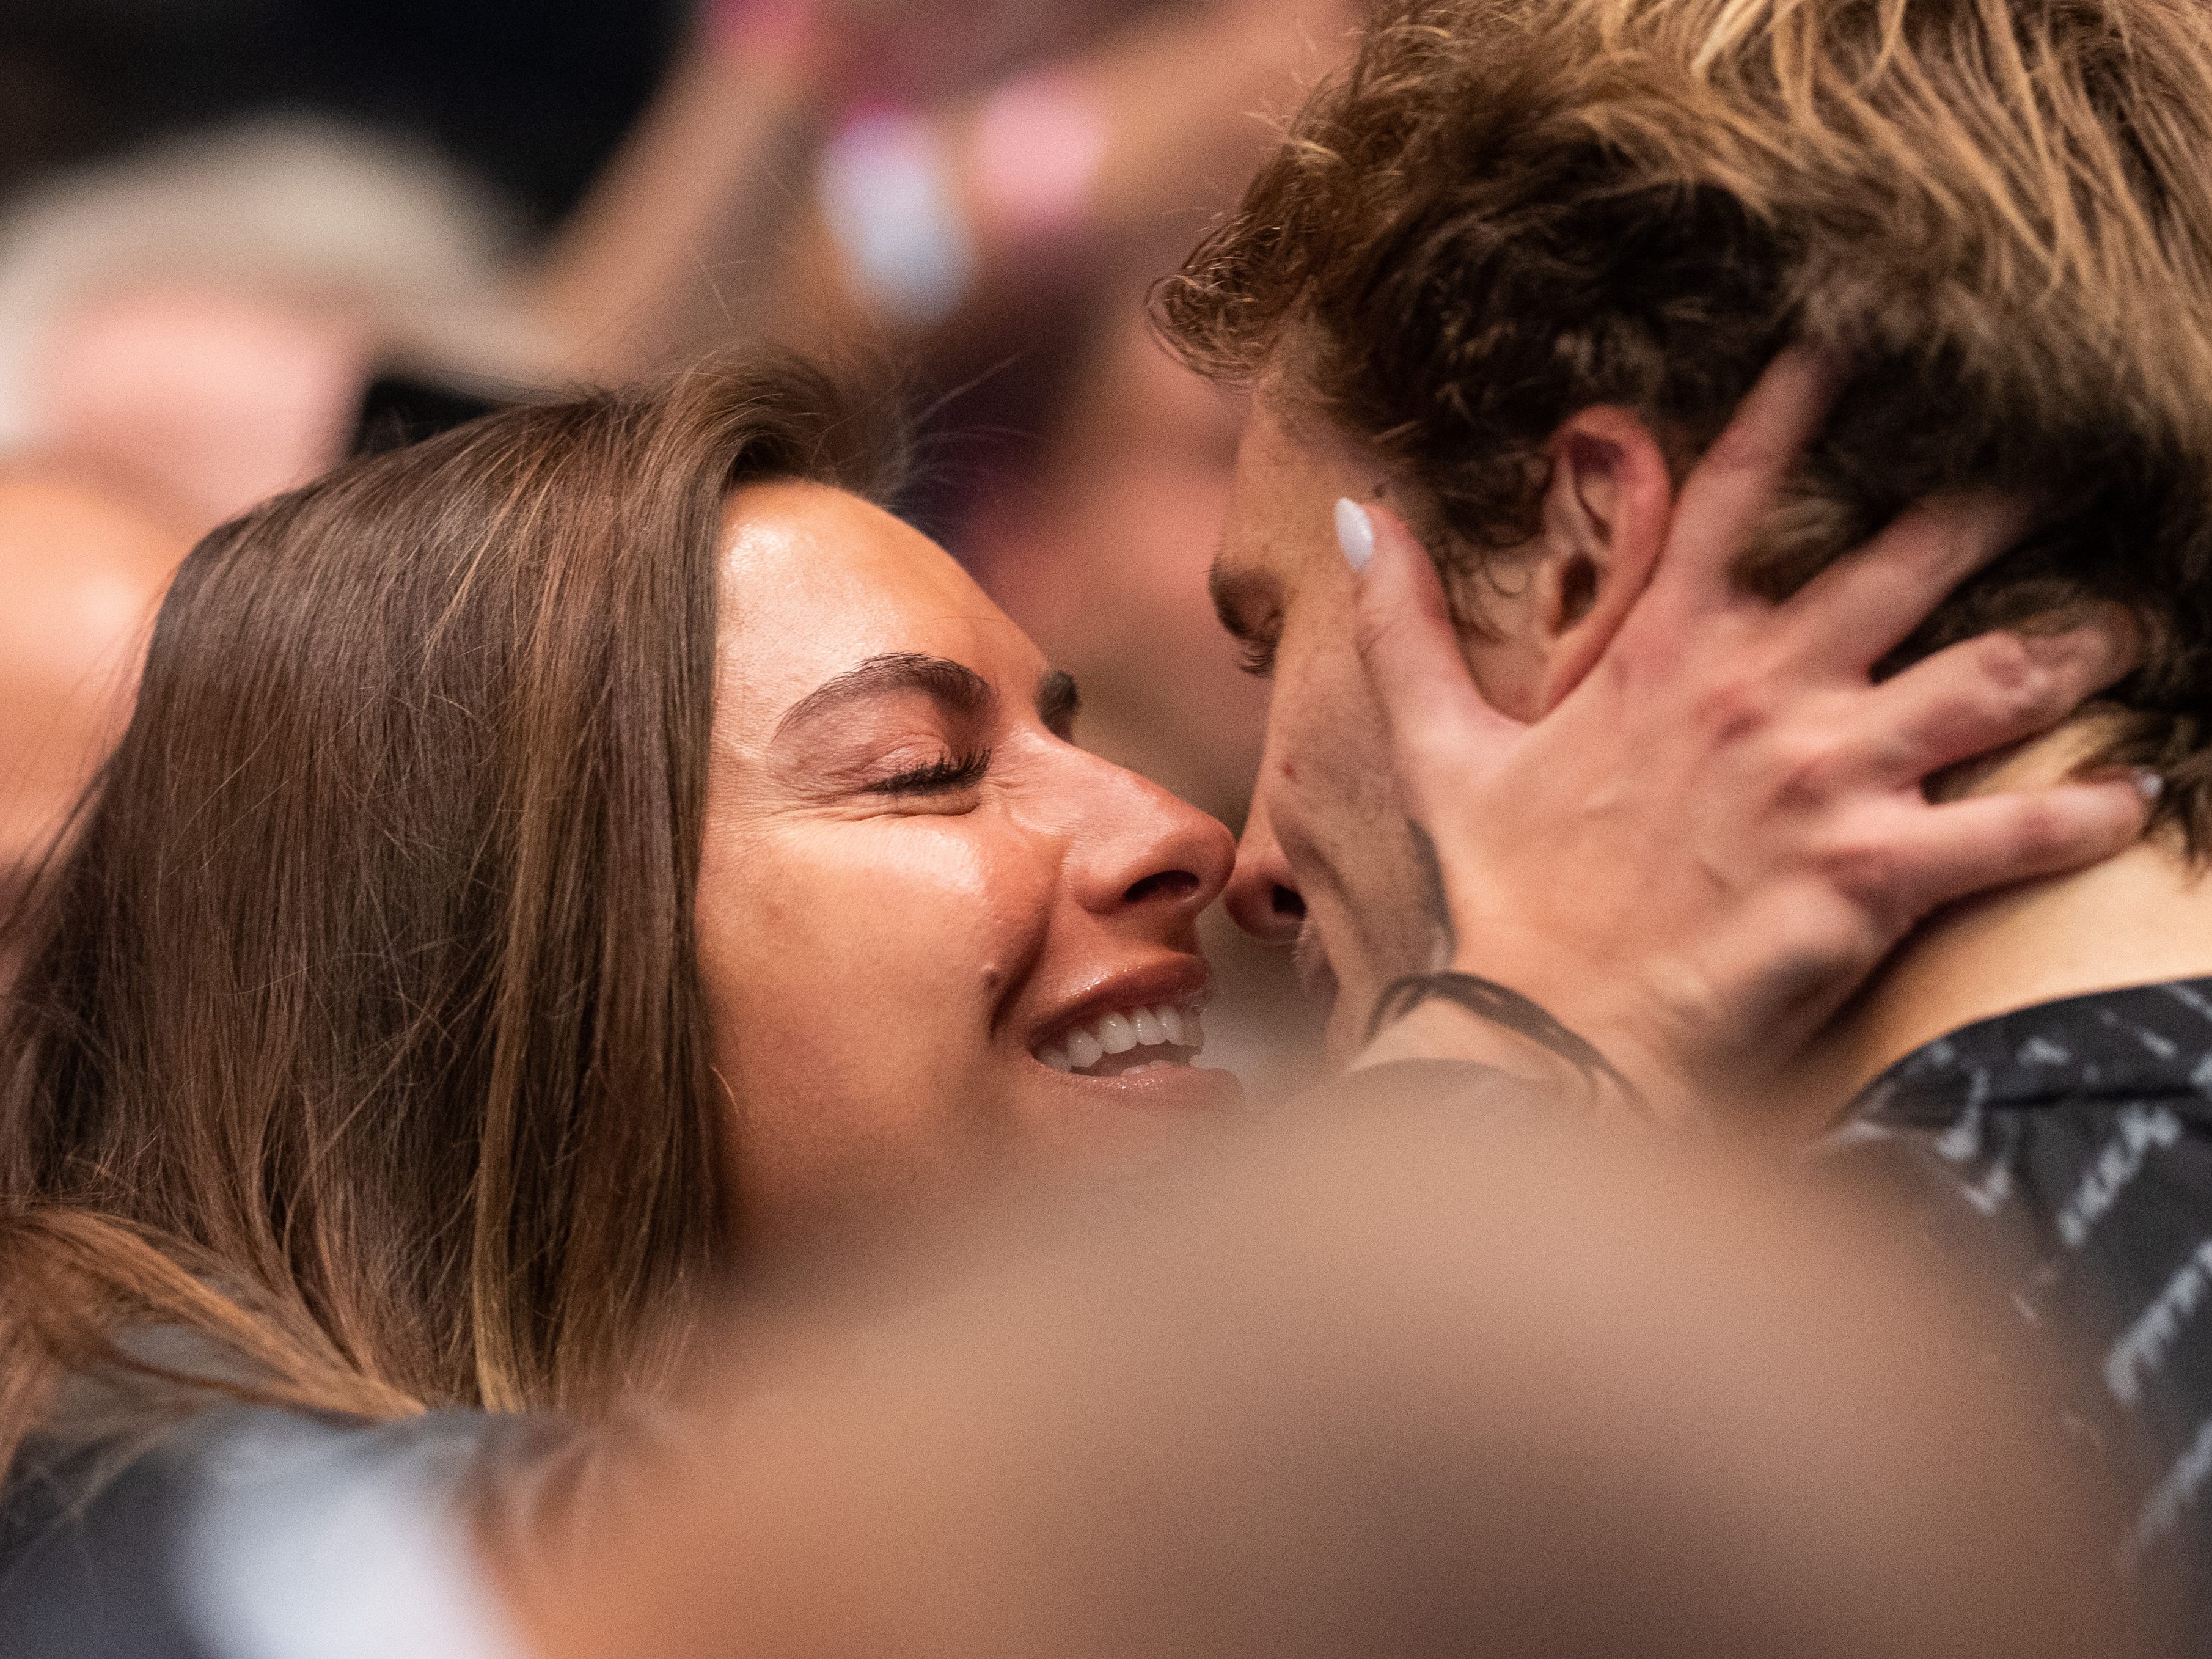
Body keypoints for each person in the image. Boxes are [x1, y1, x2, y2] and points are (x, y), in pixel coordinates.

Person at [0, 345, 2147, 1651]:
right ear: (476, 966)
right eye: (920, 771)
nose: (1176, 838)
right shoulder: (136, 1494)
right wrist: (1528, 1014)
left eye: (1083, 724)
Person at [1152, 0, 2212, 1616]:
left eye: (1267, 637)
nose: (1248, 866)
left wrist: (1487, 1043)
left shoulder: (1819, 1408)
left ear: (1581, 554)